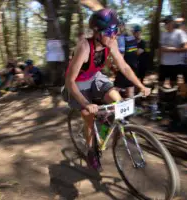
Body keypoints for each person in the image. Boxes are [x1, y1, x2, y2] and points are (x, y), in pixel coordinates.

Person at [62, 8, 151, 170]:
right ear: (97, 32)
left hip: (95, 77)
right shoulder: (84, 47)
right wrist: (85, 104)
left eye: (116, 31)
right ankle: (91, 151)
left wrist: (141, 85)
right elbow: (70, 81)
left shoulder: (111, 43)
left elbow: (124, 67)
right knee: (88, 116)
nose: (114, 35)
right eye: (110, 31)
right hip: (78, 83)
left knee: (118, 103)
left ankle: (103, 130)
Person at [159, 15, 187, 89]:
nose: (166, 24)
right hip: (163, 64)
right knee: (160, 82)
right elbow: (160, 49)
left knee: (173, 83)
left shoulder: (180, 33)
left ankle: (173, 99)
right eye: (165, 23)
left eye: (167, 22)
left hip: (175, 64)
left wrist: (172, 50)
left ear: (172, 23)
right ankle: (161, 99)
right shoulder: (163, 34)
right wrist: (159, 61)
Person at [114, 22, 140, 98]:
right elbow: (135, 52)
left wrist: (116, 66)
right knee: (130, 87)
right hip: (134, 66)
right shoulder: (132, 37)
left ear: (121, 27)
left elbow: (121, 54)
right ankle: (131, 107)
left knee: (116, 88)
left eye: (117, 27)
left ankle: (114, 107)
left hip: (124, 66)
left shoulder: (121, 38)